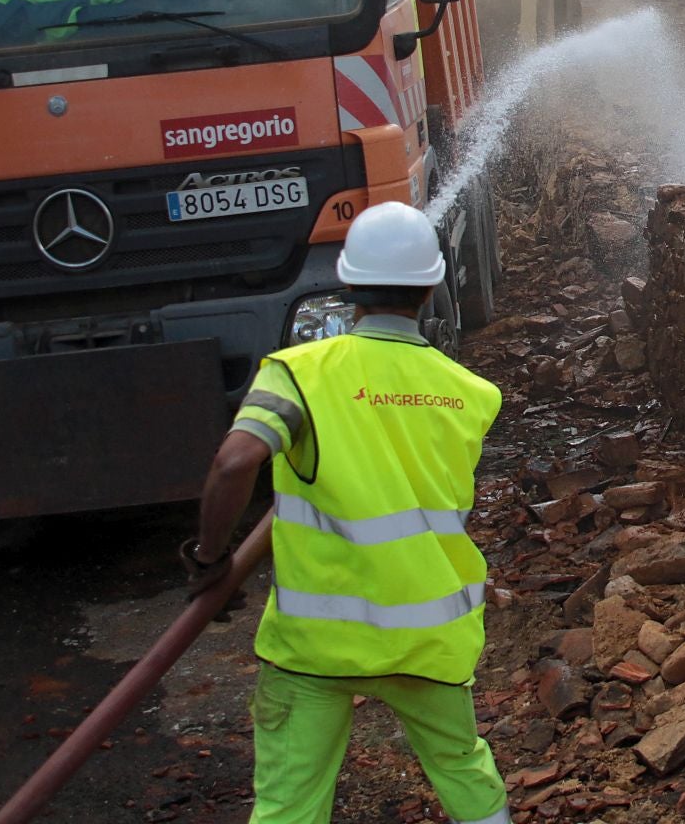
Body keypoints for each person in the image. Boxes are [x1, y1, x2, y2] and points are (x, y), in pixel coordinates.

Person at [185, 201, 508, 824]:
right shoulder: (471, 394)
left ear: (347, 279)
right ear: (434, 283)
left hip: (315, 647)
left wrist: (210, 558)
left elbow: (233, 464)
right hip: (428, 638)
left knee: (290, 802)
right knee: (465, 773)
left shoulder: (299, 374)